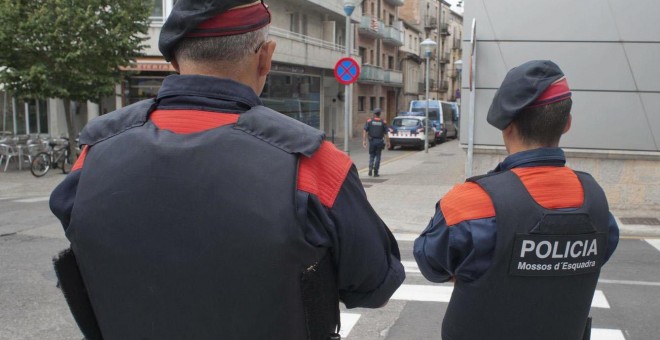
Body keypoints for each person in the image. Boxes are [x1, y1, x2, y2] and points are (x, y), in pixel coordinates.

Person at [49, 1, 405, 339]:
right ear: (265, 57)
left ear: (174, 59)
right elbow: (375, 286)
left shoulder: (93, 155)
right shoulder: (315, 164)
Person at [413, 60, 619, 340]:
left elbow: (431, 265)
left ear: (507, 126)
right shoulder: (594, 200)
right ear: (567, 123)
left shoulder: (470, 202)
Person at [362, 108, 390, 177]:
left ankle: (370, 169)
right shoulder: (383, 122)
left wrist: (364, 140)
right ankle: (376, 172)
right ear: (380, 114)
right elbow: (386, 133)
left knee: (372, 155)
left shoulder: (369, 121)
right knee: (378, 156)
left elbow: (365, 130)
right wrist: (388, 142)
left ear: (374, 114)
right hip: (380, 141)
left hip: (372, 141)